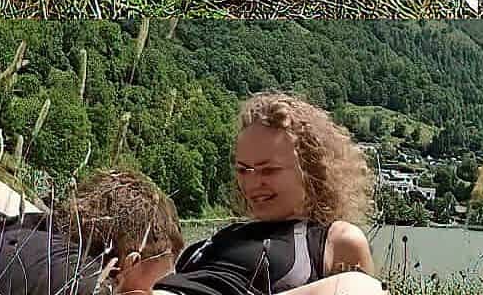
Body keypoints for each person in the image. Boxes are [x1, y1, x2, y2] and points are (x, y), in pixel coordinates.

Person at [151, 92, 385, 295]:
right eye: (243, 170)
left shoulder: (334, 241)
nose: (252, 183)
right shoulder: (219, 238)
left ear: (310, 169)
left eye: (269, 170)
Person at [0, 155, 184, 295]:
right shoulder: (80, 283)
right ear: (131, 262)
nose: (155, 292)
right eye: (157, 284)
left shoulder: (21, 227)